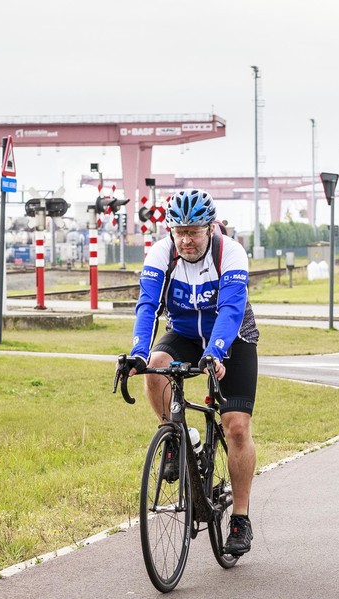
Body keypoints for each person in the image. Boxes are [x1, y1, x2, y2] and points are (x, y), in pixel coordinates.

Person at [128, 189, 259, 556]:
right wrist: (138, 353)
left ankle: (241, 519)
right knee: (154, 365)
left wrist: (216, 352)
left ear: (211, 227)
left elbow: (232, 310)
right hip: (185, 334)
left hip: (233, 339)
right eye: (179, 231)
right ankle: (178, 435)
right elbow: (148, 305)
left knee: (236, 426)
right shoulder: (161, 254)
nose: (186, 240)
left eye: (194, 231)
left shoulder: (230, 252)